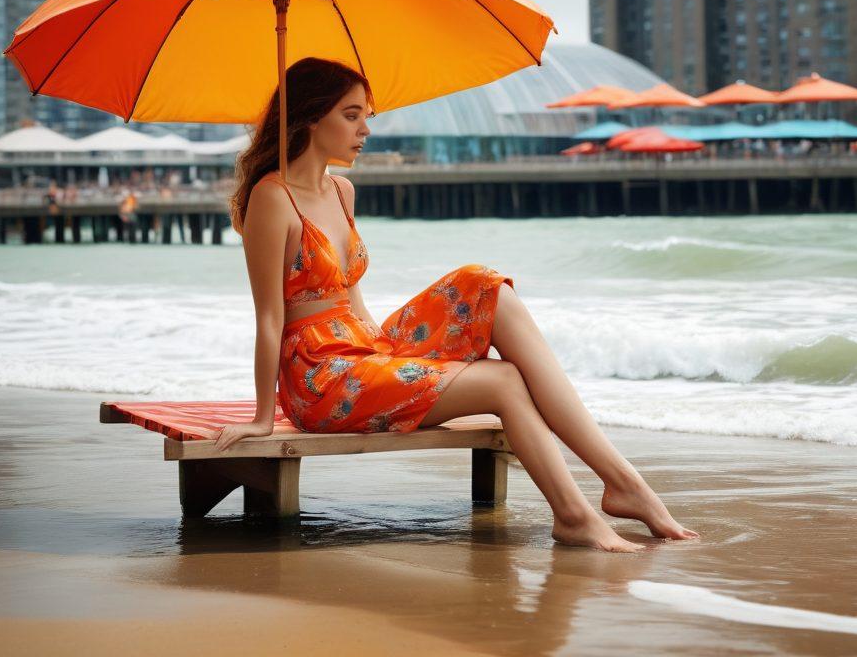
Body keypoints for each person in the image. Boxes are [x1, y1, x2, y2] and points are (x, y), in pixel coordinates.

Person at [216, 57, 698, 552]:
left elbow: (351, 295)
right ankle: (575, 515)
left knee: (486, 285)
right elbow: (270, 318)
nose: (366, 130)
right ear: (312, 117)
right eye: (352, 115)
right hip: (319, 377)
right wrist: (262, 415)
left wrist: (389, 354)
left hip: (362, 348)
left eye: (367, 116)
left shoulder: (342, 191)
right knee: (504, 380)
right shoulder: (272, 198)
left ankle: (622, 482)